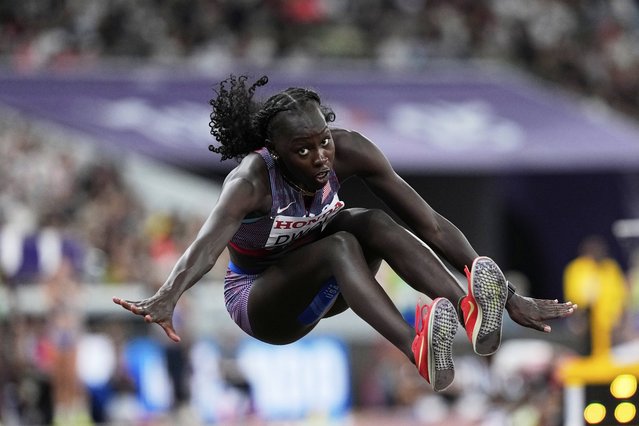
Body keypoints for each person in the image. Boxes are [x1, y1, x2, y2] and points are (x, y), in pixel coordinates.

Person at [113, 75, 575, 392]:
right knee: (339, 243)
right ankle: (416, 349)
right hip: (263, 306)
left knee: (368, 222)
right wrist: (168, 295)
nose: (320, 157)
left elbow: (428, 222)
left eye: (324, 140)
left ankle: (469, 309)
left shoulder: (350, 151)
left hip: (330, 288)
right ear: (274, 151)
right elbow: (204, 246)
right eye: (303, 150)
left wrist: (509, 298)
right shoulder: (251, 183)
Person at [563, 235, 626, 357]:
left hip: (610, 322)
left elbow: (619, 294)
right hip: (587, 320)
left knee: (613, 354)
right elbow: (574, 295)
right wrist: (578, 317)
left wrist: (619, 317)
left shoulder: (610, 267)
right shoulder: (577, 268)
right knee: (587, 352)